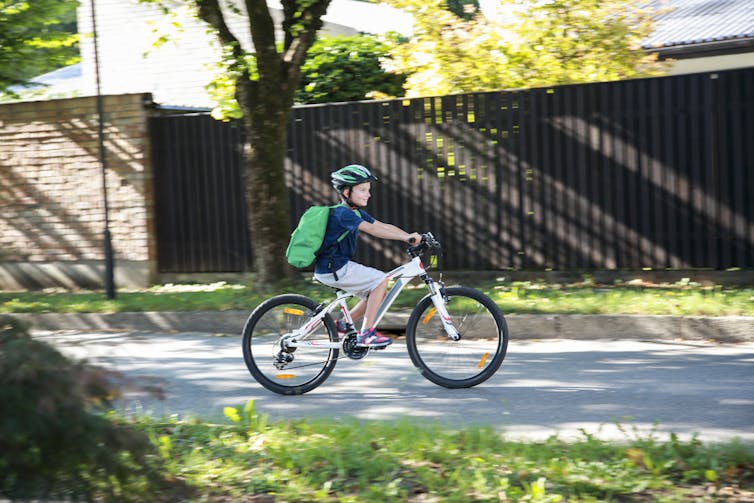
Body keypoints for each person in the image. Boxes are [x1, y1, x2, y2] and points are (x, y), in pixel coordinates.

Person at [314, 164, 422, 348]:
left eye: (368, 190)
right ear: (347, 192)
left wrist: (408, 236)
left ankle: (342, 325)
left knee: (378, 291)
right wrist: (406, 237)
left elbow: (382, 225)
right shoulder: (343, 213)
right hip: (334, 268)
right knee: (380, 280)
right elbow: (372, 230)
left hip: (335, 267)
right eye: (362, 190)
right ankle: (366, 334)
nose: (368, 194)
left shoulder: (354, 212)